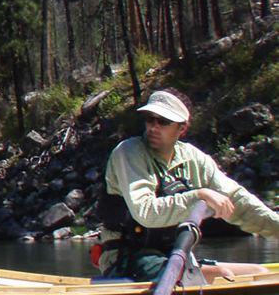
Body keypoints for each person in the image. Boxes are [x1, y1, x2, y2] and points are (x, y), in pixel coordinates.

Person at [97, 89, 279, 283]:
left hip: (175, 257)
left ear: (182, 128)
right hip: (127, 259)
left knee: (258, 272)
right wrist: (200, 195)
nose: (153, 127)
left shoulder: (194, 159)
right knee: (224, 276)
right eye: (150, 119)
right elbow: (147, 213)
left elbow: (239, 202)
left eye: (164, 122)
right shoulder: (129, 152)